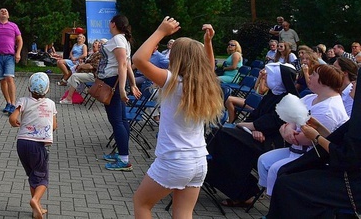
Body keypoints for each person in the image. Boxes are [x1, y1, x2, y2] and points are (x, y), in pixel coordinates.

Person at [131, 18, 223, 218]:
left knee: (141, 203)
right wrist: (208, 43)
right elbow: (209, 67)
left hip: (174, 160)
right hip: (199, 161)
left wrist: (161, 31)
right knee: (182, 213)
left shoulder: (173, 81)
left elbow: (138, 60)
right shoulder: (203, 84)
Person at [206, 63, 298, 208]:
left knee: (225, 140)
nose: (265, 76)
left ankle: (245, 193)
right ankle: (237, 187)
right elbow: (255, 118)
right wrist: (254, 127)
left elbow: (269, 123)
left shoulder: (288, 100)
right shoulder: (273, 94)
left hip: (272, 142)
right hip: (256, 135)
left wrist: (245, 125)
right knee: (220, 136)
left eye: (270, 75)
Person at [265, 80, 360, 218]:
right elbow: (339, 141)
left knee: (288, 184)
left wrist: (316, 137)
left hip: (353, 185)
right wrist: (319, 128)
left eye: (357, 81)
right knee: (288, 173)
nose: (352, 83)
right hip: (345, 174)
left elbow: (346, 157)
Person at [257, 64, 349, 196]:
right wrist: (288, 130)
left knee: (275, 169)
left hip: (312, 157)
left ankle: (278, 203)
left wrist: (286, 131)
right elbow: (290, 118)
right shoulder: (311, 98)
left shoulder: (329, 110)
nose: (309, 76)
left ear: (324, 81)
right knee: (263, 160)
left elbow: (306, 140)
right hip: (295, 150)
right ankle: (275, 197)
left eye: (314, 74)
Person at [8, 72, 57, 219]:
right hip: (38, 146)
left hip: (22, 143)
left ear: (29, 88)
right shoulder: (51, 104)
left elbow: (12, 118)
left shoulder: (23, 101)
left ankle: (37, 208)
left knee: (33, 175)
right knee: (43, 178)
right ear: (47, 90)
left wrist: (15, 123)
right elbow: (54, 126)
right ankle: (35, 200)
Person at [99, 14, 135, 171]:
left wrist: (122, 88)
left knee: (117, 120)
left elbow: (122, 65)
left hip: (113, 82)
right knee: (121, 119)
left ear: (113, 24)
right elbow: (127, 64)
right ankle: (121, 152)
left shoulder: (119, 40)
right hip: (116, 81)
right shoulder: (122, 40)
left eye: (110, 22)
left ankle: (124, 159)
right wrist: (132, 84)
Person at [0, 8, 23, 115]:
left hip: (9, 56)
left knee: (9, 78)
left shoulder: (13, 26)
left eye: (6, 11)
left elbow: (20, 40)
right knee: (2, 80)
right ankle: (8, 102)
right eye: (1, 11)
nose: (4, 12)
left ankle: (14, 104)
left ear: (8, 15)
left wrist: (18, 53)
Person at [59, 39, 103, 104]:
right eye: (94, 43)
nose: (94, 44)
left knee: (74, 76)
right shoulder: (93, 54)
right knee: (75, 73)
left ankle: (69, 98)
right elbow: (87, 64)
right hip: (87, 72)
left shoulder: (99, 55)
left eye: (97, 44)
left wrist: (82, 66)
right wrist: (82, 64)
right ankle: (69, 95)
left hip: (93, 75)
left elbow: (91, 66)